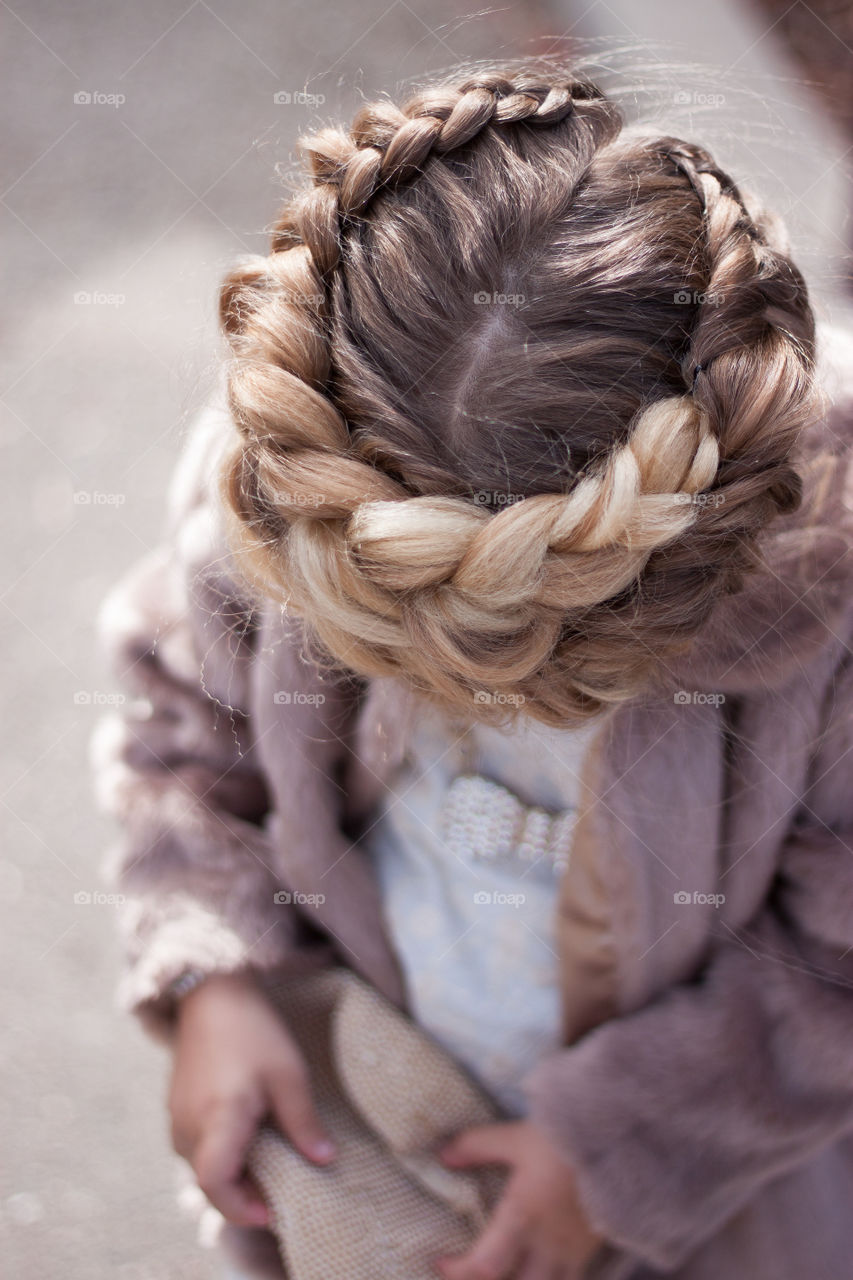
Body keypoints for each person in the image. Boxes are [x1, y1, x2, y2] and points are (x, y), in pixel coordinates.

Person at [92, 60, 853, 1279]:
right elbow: (184, 724)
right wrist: (214, 972)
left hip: (718, 1213)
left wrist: (623, 1144)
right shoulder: (294, 465)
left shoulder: (831, 622)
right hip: (373, 1130)